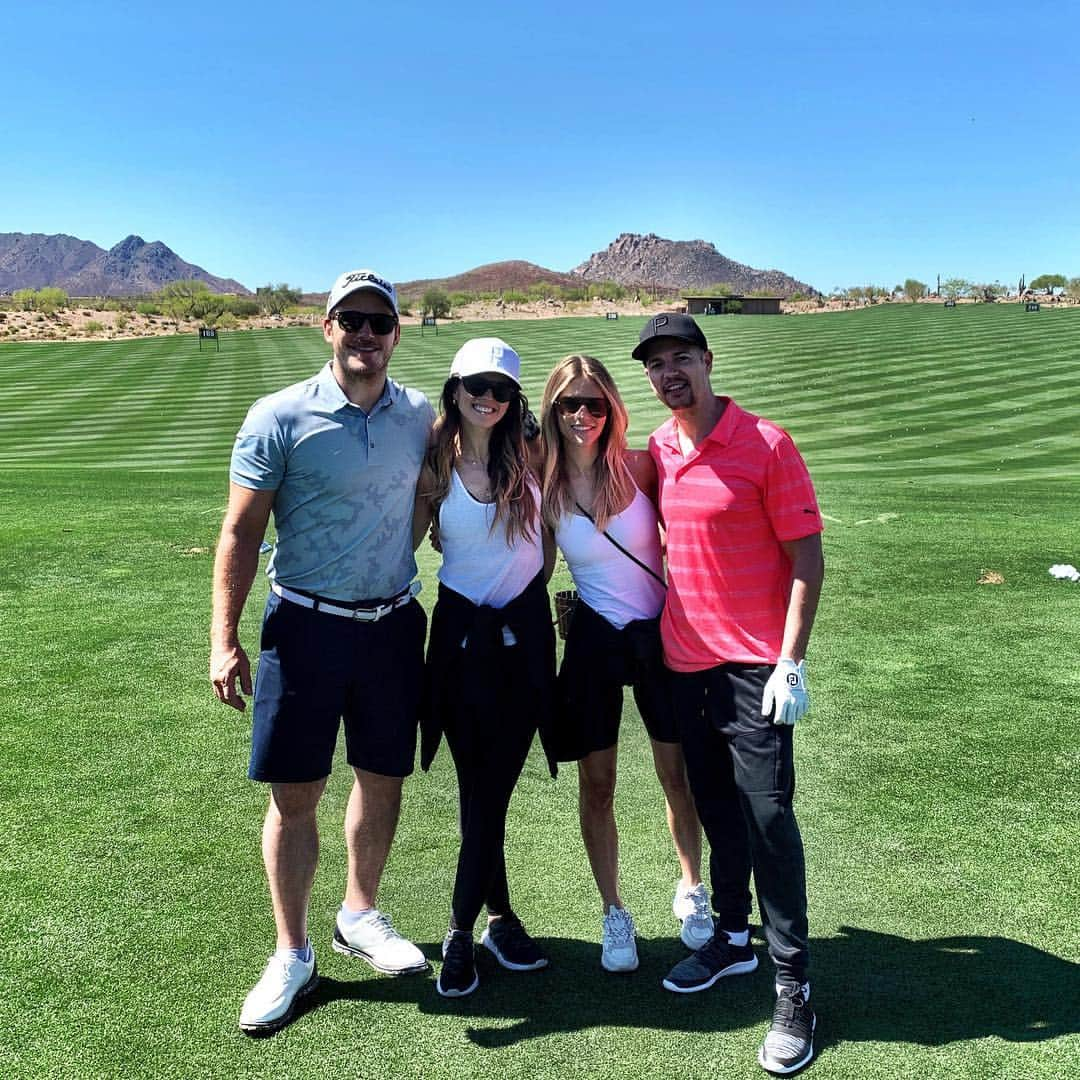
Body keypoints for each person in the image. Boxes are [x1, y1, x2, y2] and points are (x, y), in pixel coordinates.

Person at [210, 269, 435, 1035]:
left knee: (383, 776)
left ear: (396, 332)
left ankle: (360, 914)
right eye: (351, 320)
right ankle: (292, 951)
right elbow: (240, 532)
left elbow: (437, 494)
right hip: (303, 628)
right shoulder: (279, 416)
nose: (365, 334)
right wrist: (223, 638)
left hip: (395, 625)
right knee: (296, 794)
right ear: (327, 327)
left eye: (379, 321)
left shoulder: (419, 416)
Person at [636, 313, 824, 1076]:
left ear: (708, 361)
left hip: (754, 668)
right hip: (686, 664)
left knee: (768, 815)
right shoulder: (658, 447)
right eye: (656, 364)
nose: (670, 373)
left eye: (681, 358)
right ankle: (734, 940)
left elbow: (807, 561)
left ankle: (793, 983)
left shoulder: (766, 444)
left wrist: (791, 663)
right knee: (715, 809)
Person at [539, 354, 712, 974]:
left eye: (594, 403)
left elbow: (692, 528)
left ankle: (692, 888)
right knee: (598, 783)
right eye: (568, 405)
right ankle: (614, 911)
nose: (582, 415)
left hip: (656, 637)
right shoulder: (542, 480)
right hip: (592, 641)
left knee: (677, 774)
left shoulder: (641, 466)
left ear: (612, 407)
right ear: (552, 412)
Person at [413, 337, 556, 999]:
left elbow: (550, 536)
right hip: (460, 645)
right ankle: (478, 926)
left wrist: (527, 597)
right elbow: (404, 535)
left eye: (501, 390)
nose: (488, 399)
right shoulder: (435, 459)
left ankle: (477, 926)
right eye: (477, 385)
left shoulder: (530, 450)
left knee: (492, 793)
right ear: (456, 387)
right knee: (482, 795)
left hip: (523, 644)